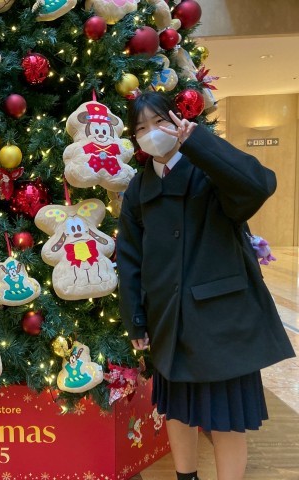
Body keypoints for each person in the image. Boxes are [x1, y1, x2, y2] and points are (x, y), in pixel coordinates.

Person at [116, 91, 294, 480]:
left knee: (226, 420)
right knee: (178, 412)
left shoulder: (210, 171)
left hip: (221, 323)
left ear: (178, 122)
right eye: (141, 128)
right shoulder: (139, 189)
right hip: (169, 322)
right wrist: (136, 320)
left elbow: (259, 184)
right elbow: (129, 259)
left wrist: (199, 142)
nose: (151, 133)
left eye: (159, 121)